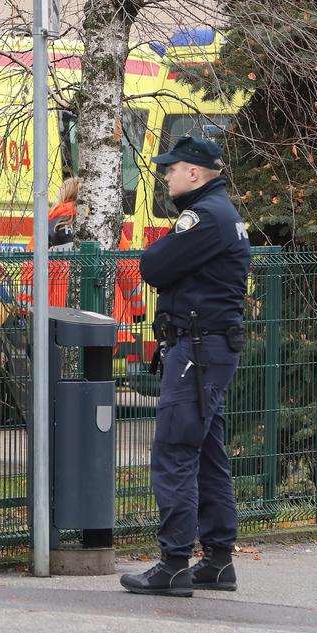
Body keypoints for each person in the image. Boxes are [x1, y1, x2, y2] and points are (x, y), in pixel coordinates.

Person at [120, 135, 251, 598]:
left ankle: (174, 563)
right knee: (208, 453)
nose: (166, 175)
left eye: (171, 169)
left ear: (194, 172)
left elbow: (153, 265)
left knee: (174, 449)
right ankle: (218, 560)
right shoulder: (221, 213)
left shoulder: (205, 217)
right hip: (208, 347)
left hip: (198, 350)